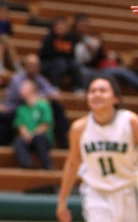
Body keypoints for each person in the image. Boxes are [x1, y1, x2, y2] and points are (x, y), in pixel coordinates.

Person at [56, 76, 138, 222]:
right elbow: (73, 163)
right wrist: (62, 201)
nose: (97, 94)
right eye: (92, 91)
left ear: (115, 99)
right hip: (96, 193)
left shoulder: (130, 122)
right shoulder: (79, 128)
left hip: (129, 191)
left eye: (103, 90)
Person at [5, 53, 70, 148]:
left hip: (33, 107)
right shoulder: (17, 79)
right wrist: (46, 97)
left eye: (35, 66)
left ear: (39, 67)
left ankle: (64, 137)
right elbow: (26, 96)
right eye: (30, 66)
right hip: (16, 108)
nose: (32, 68)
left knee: (56, 107)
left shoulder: (40, 79)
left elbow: (53, 93)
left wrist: (48, 97)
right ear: (25, 66)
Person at [12, 80, 55, 170]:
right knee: (19, 141)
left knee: (39, 138)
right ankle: (28, 164)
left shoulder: (43, 105)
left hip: (42, 138)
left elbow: (45, 124)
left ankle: (48, 165)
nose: (21, 90)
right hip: (29, 139)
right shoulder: (22, 108)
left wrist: (33, 135)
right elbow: (20, 125)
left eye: (23, 88)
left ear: (32, 89)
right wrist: (26, 135)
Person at [39, 17, 84, 92]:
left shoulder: (71, 38)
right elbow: (45, 54)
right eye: (59, 27)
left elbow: (72, 55)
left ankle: (78, 88)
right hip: (48, 63)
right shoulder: (49, 38)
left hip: (64, 62)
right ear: (54, 28)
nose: (61, 29)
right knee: (60, 63)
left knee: (75, 64)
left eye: (63, 27)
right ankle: (54, 86)